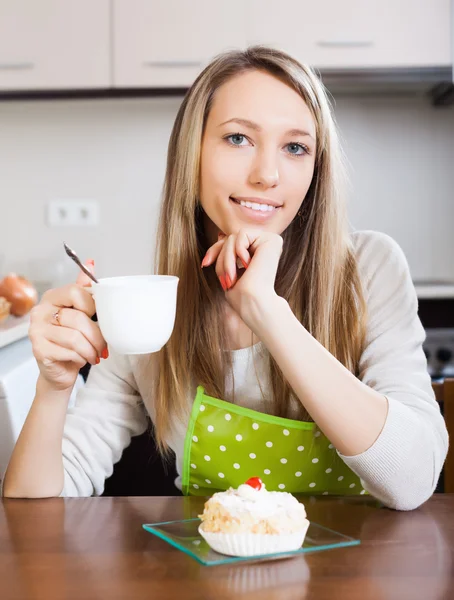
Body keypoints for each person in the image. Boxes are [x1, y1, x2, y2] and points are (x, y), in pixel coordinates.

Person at [3, 46, 448, 510]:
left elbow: (413, 479)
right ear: (191, 153)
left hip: (358, 577)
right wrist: (54, 388)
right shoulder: (150, 307)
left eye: (295, 147)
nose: (267, 175)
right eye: (238, 139)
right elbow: (37, 504)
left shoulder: (370, 269)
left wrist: (268, 314)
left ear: (316, 171)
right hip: (207, 577)